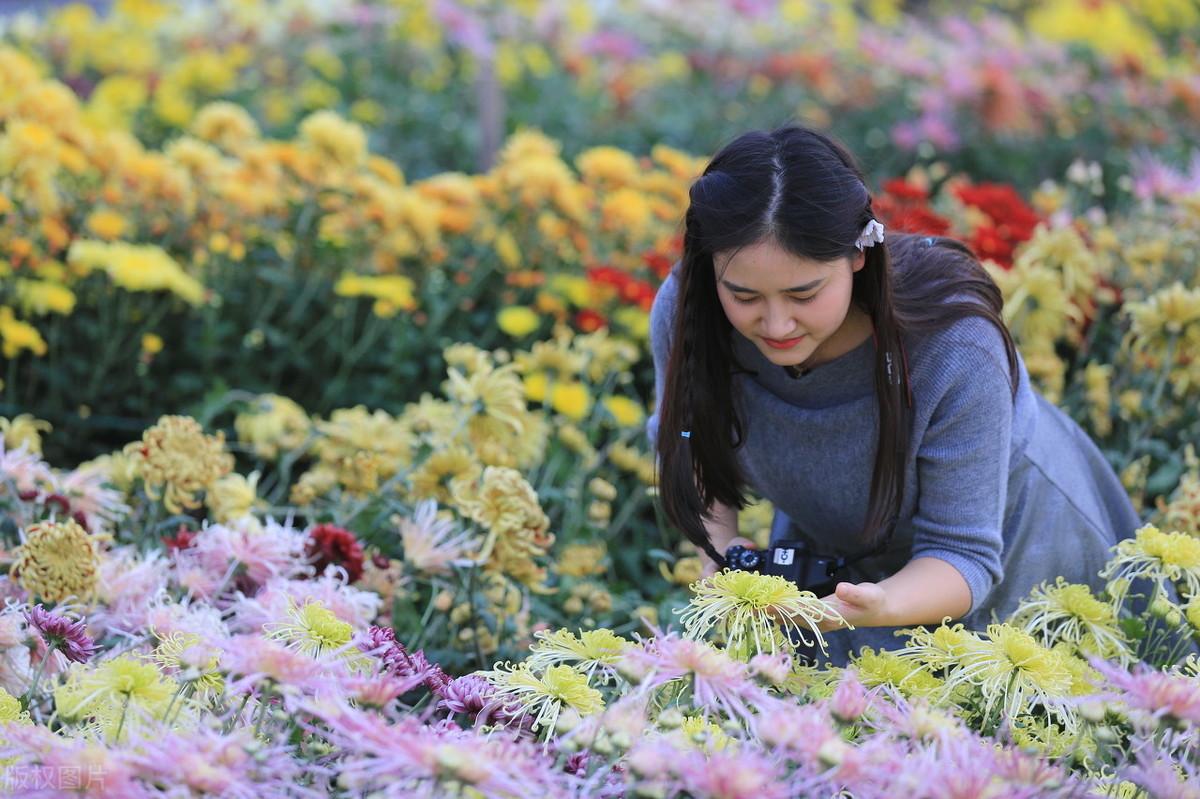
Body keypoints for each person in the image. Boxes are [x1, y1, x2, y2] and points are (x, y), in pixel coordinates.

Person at [648, 126, 1140, 665]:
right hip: (847, 566)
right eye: (743, 295)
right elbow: (691, 443)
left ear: (859, 254)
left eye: (803, 293)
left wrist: (869, 606)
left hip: (1024, 560)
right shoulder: (691, 313)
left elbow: (963, 554)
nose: (776, 322)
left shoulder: (953, 343)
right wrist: (723, 561)